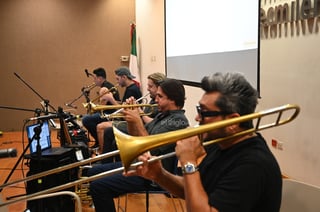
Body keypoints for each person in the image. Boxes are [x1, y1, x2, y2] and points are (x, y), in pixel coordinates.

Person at [129, 72, 282, 212]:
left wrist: (189, 162)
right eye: (198, 109)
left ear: (233, 122)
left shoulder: (252, 164)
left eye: (204, 112)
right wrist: (160, 175)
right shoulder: (220, 144)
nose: (197, 118)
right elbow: (192, 189)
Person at [87, 78, 190, 212]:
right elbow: (136, 139)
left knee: (98, 187)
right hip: (141, 165)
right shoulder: (162, 115)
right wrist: (131, 119)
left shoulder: (178, 122)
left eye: (160, 96)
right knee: (92, 171)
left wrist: (138, 120)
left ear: (172, 99)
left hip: (153, 175)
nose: (155, 99)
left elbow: (150, 148)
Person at [101, 72, 166, 157]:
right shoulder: (153, 99)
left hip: (145, 130)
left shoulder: (161, 103)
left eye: (150, 86)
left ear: (159, 87)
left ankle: (107, 161)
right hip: (141, 125)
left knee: (108, 131)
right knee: (109, 133)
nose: (147, 89)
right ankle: (106, 160)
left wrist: (139, 112)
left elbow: (154, 122)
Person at [95, 66, 142, 153]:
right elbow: (124, 104)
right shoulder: (130, 88)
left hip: (130, 123)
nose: (117, 82)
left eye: (117, 79)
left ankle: (103, 155)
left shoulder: (132, 90)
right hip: (126, 119)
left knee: (100, 127)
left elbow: (125, 111)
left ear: (124, 77)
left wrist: (111, 99)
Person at [82, 67, 120, 148]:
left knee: (86, 119)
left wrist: (92, 109)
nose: (94, 81)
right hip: (111, 111)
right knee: (90, 117)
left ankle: (99, 141)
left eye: (95, 78)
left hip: (110, 114)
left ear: (100, 78)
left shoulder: (104, 88)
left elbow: (101, 108)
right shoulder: (109, 85)